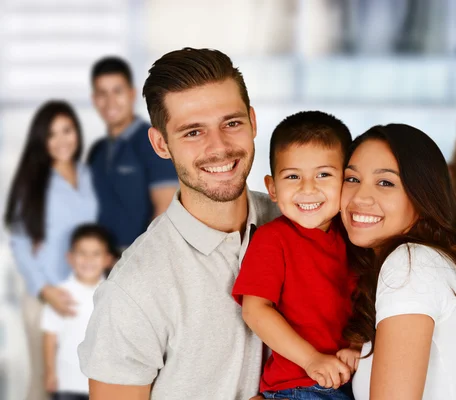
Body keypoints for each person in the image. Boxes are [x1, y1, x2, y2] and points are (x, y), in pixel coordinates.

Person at [77, 48, 280, 400]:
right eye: (193, 132)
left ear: (253, 121)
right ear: (161, 144)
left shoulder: (297, 222)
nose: (219, 147)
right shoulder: (134, 291)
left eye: (231, 123)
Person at [340, 124, 456, 400]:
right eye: (352, 179)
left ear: (422, 196)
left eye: (385, 183)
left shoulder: (411, 263)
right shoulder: (427, 262)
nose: (359, 197)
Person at [232, 111, 357, 399]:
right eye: (292, 176)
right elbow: (255, 310)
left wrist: (357, 345)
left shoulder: (355, 238)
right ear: (272, 188)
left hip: (352, 383)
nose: (308, 188)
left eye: (323, 174)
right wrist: (311, 359)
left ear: (347, 180)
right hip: (298, 386)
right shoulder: (272, 239)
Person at [4, 101, 98, 400]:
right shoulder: (33, 182)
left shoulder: (88, 176)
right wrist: (46, 290)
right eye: (52, 134)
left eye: (67, 130)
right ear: (41, 140)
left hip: (85, 295)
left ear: (77, 132)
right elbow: (19, 243)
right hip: (45, 296)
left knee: (81, 380)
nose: (61, 140)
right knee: (46, 382)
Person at [88, 56, 178, 250]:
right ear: (94, 99)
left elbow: (165, 211)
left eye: (117, 91)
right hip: (99, 263)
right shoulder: (98, 151)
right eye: (102, 93)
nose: (110, 101)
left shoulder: (153, 142)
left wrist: (138, 262)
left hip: (136, 260)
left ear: (131, 94)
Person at [42, 224, 114, 400]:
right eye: (82, 253)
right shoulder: (60, 294)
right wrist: (50, 373)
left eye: (96, 253)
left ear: (107, 259)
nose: (88, 259)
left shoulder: (113, 294)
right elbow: (50, 337)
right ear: (70, 258)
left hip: (102, 382)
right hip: (67, 382)